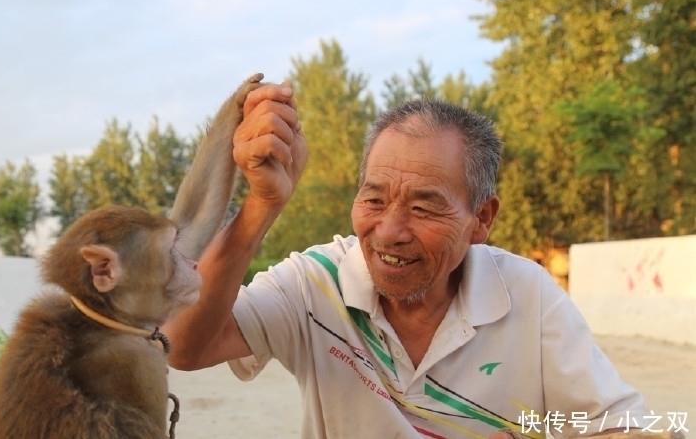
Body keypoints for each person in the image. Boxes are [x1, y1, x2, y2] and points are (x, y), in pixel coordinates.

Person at [164, 82, 645, 439]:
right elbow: (185, 347)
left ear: (482, 218)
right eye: (374, 200)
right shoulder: (315, 283)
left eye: (423, 206)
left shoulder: (526, 294)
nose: (389, 231)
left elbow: (625, 427)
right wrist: (260, 208)